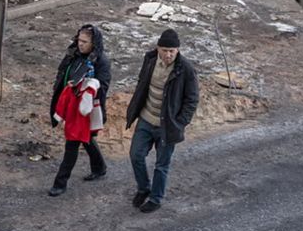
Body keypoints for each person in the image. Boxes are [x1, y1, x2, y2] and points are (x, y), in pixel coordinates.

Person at [122, 28, 200, 213]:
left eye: (172, 51)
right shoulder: (149, 60)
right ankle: (144, 188)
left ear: (178, 50)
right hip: (146, 119)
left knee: (161, 165)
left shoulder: (185, 69)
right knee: (136, 155)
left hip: (167, 126)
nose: (168, 54)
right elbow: (142, 83)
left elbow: (192, 99)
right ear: (158, 48)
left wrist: (179, 123)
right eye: (165, 50)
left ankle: (156, 198)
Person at [47, 25, 110, 195]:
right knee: (86, 137)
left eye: (85, 41)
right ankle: (100, 167)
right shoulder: (73, 54)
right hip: (69, 104)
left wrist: (83, 87)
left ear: (93, 43)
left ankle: (60, 183)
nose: (80, 44)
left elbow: (103, 87)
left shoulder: (101, 62)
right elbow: (62, 73)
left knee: (72, 143)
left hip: (85, 111)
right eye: (79, 40)